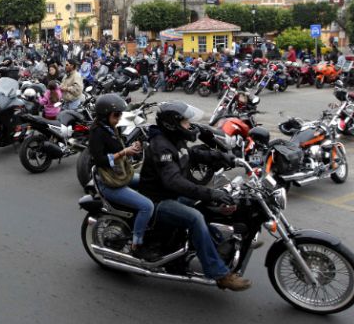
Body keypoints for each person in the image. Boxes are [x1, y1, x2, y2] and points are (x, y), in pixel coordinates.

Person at [138, 101, 252, 291]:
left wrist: (221, 157)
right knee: (195, 217)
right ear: (171, 124)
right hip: (158, 200)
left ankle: (217, 244)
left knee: (202, 206)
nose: (189, 125)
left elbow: (189, 154)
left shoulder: (173, 139)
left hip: (171, 195)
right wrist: (210, 193)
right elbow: (173, 181)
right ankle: (219, 274)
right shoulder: (161, 147)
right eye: (184, 122)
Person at [90, 94, 155, 259]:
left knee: (151, 183)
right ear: (105, 115)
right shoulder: (98, 132)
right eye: (116, 115)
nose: (119, 118)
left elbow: (116, 149)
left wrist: (131, 148)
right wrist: (123, 152)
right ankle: (137, 244)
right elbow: (100, 160)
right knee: (147, 206)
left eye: (120, 114)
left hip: (120, 174)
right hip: (109, 182)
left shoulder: (111, 128)